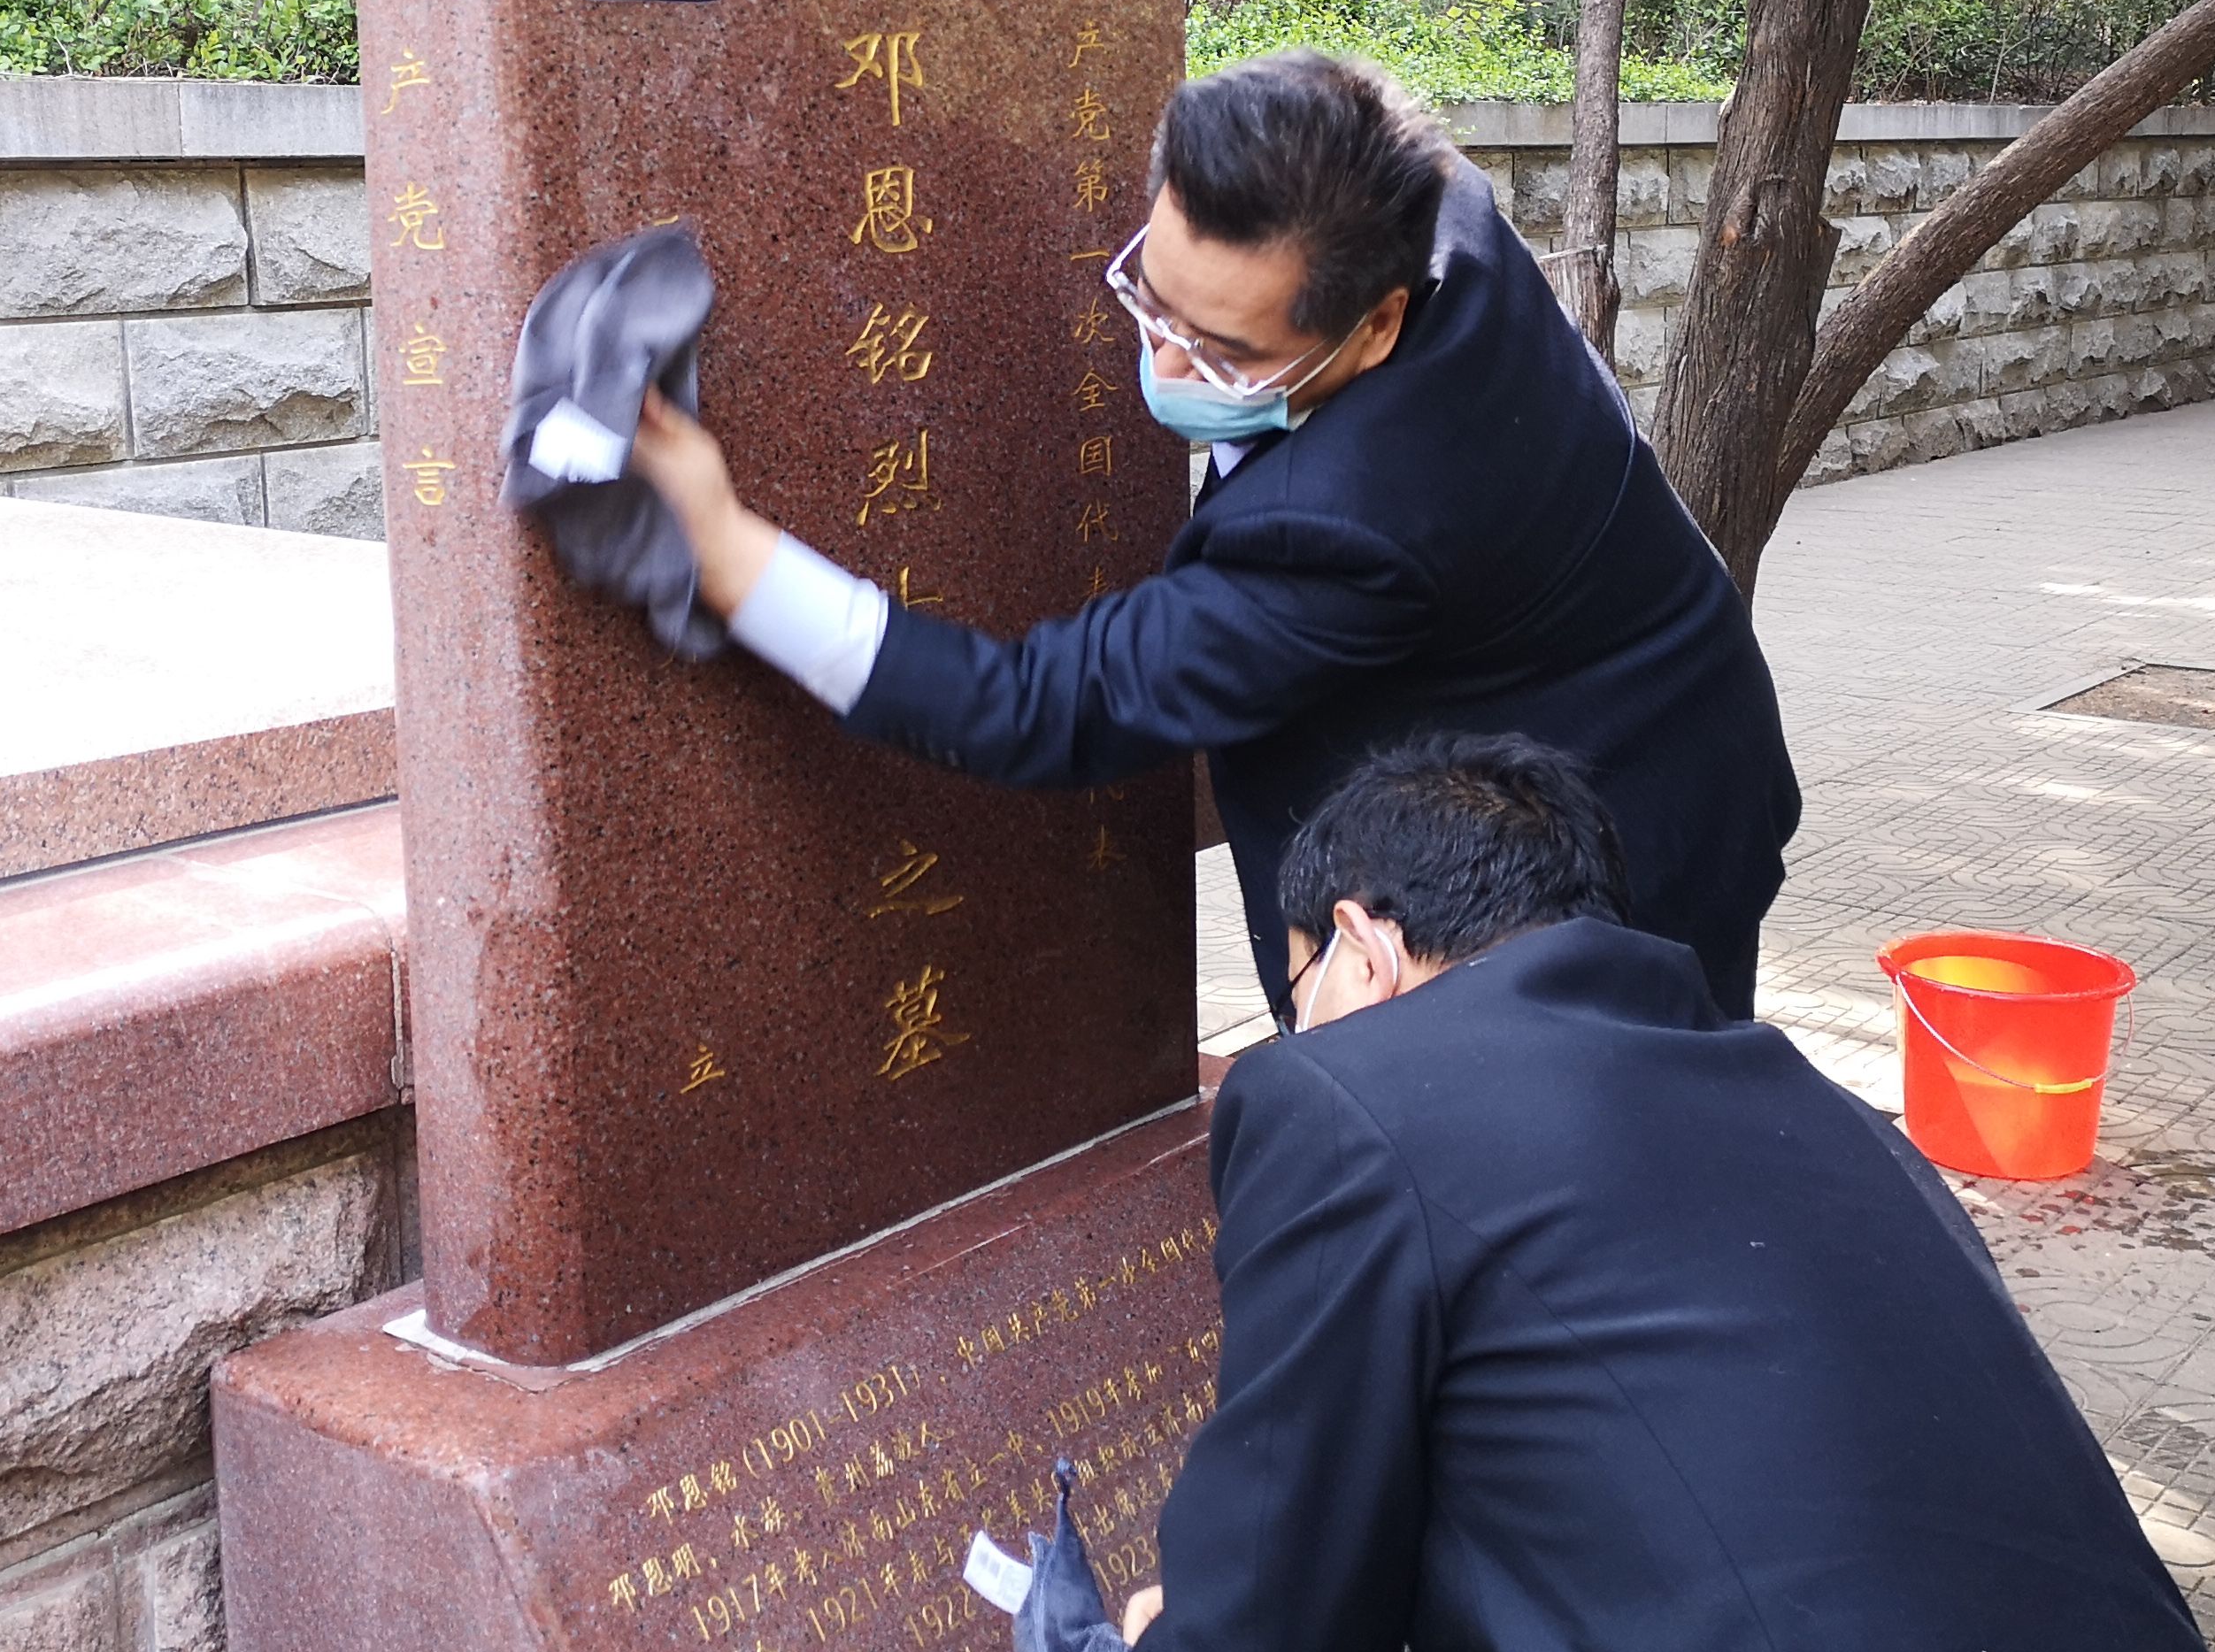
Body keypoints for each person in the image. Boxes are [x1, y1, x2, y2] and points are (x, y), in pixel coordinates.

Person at [935, 737, 2215, 1652]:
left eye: (1295, 991)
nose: (1299, 1038)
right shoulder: (1847, 1127)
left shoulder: (1350, 1104)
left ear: (1362, 950)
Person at [630, 50, 1800, 1020]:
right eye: (1153, 296)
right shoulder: (1414, 200)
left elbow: (1044, 706)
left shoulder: (1352, 523)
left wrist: (732, 559)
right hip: (1644, 709)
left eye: (1230, 352)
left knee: (1560, 1166)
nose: (1167, 363)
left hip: (1635, 827)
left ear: (1378, 321)